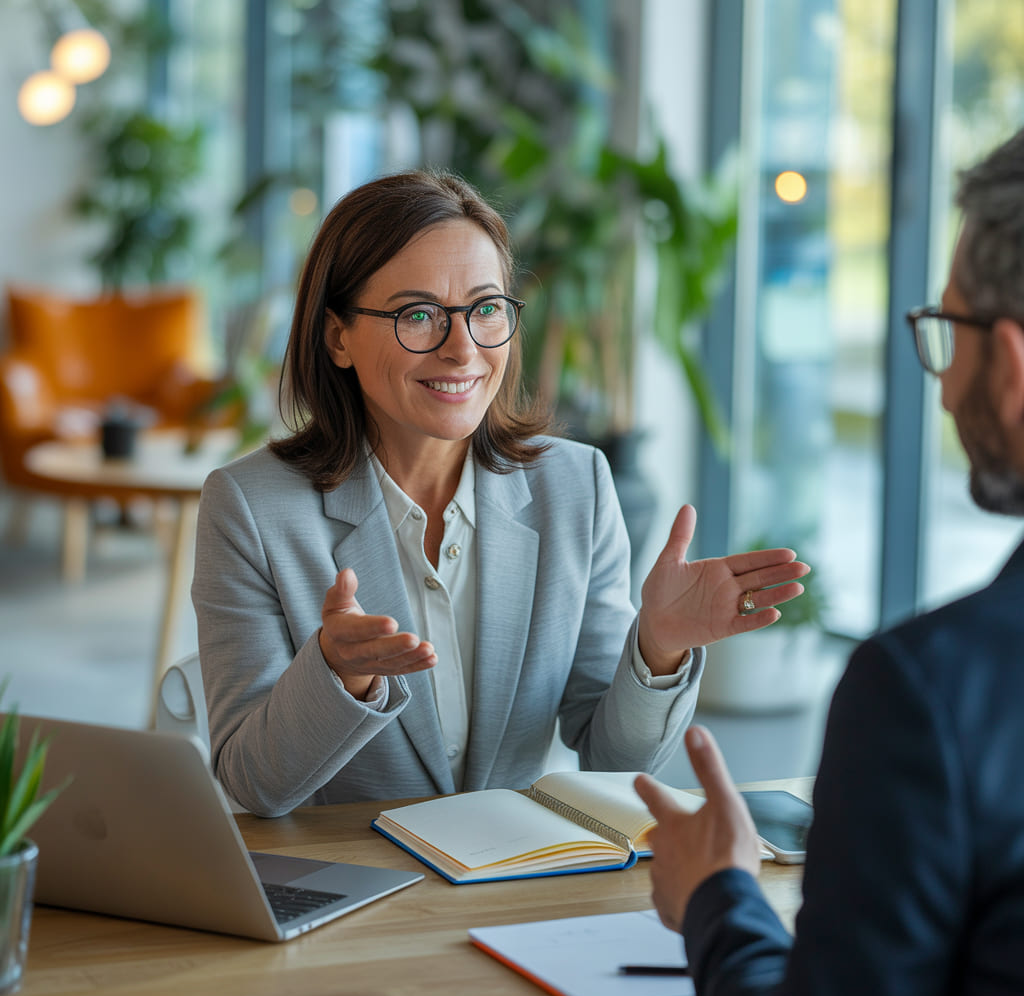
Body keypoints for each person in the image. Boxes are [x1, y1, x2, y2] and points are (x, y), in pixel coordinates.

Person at [192, 168, 808, 817]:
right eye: (418, 314)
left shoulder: (576, 486)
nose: (464, 349)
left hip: (517, 886)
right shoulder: (250, 508)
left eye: (486, 309)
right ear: (337, 336)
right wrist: (337, 676)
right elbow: (251, 785)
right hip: (356, 896)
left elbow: (612, 758)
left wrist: (658, 645)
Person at [634, 127, 1024, 996]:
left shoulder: (927, 696)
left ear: (1007, 363)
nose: (942, 382)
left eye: (948, 328)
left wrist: (716, 897)